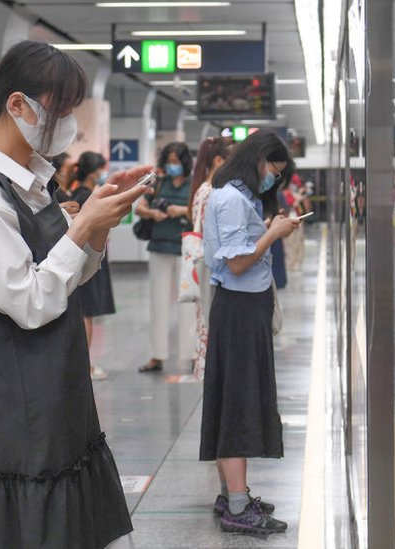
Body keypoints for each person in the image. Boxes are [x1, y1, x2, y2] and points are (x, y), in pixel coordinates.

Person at [0, 40, 147, 548]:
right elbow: (29, 302)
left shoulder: (34, 184)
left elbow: (67, 282)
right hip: (23, 399)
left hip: (59, 380)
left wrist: (99, 225)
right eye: (58, 110)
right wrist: (81, 229)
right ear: (17, 104)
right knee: (37, 526)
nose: (66, 124)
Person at [200, 129, 300, 534]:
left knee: (239, 398)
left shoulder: (239, 198)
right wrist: (272, 235)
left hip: (246, 307)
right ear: (255, 159)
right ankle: (238, 508)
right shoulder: (229, 199)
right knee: (238, 403)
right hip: (239, 309)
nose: (272, 179)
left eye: (278, 175)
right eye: (271, 170)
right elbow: (238, 263)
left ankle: (233, 494)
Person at [137, 142, 197, 373]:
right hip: (159, 247)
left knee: (189, 304)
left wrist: (180, 211)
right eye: (169, 161)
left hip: (187, 249)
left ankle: (191, 354)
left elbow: (200, 209)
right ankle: (156, 356)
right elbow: (140, 207)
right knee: (158, 303)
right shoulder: (158, 182)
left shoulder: (194, 184)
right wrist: (153, 212)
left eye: (176, 161)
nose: (173, 166)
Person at [188, 136, 235, 379]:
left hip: (206, 268)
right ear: (218, 161)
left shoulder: (204, 190)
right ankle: (211, 376)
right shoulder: (209, 192)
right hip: (210, 269)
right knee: (209, 322)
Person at [70, 151, 116, 382]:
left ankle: (84, 364)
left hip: (87, 256)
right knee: (86, 314)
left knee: (87, 313)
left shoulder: (82, 193)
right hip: (84, 257)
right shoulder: (85, 196)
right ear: (94, 171)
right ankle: (84, 366)